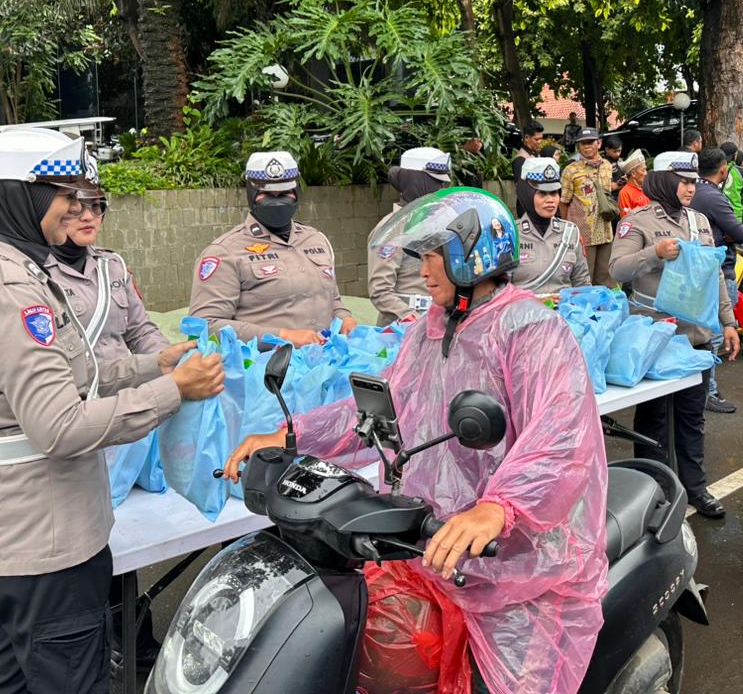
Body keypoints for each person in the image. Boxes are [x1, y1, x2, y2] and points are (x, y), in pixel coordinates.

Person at [224, 189, 608, 694]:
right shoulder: (431, 329)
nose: (423, 273)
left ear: (471, 258)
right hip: (431, 542)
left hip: (514, 557)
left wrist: (499, 508)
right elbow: (385, 409)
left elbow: (560, 439)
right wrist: (292, 434)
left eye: (432, 257)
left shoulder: (530, 329)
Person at [0, 127, 224, 694]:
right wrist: (176, 391)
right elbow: (60, 425)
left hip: (12, 536)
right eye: (63, 193)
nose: (77, 207)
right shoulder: (10, 289)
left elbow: (83, 372)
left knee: (10, 682)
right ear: (18, 196)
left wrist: (156, 365)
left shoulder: (24, 267)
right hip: (42, 543)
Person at [47, 176, 171, 675]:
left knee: (124, 541)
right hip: (75, 422)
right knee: (84, 544)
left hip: (127, 421)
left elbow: (140, 328)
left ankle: (133, 641)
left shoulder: (113, 266)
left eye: (96, 206)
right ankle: (97, 649)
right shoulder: (34, 275)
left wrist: (170, 359)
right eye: (75, 206)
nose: (87, 215)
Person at [609, 151, 740, 519]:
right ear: (664, 180)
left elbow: (713, 273)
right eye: (682, 181)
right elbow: (617, 269)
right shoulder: (637, 222)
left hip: (695, 337)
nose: (689, 188)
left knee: (691, 419)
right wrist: (654, 252)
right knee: (653, 421)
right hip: (656, 338)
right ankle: (652, 496)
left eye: (693, 181)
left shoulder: (699, 220)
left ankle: (696, 488)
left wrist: (728, 322)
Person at [191, 151, 357, 343]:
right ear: (251, 194)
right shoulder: (225, 252)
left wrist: (345, 317)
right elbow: (204, 326)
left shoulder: (316, 240)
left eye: (285, 193)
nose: (277, 200)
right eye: (268, 194)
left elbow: (331, 298)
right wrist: (281, 336)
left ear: (296, 192)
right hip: (265, 368)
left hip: (325, 363)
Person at [693, 148, 743, 414]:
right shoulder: (713, 196)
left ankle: (700, 389)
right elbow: (740, 233)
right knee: (717, 332)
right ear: (723, 168)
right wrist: (733, 234)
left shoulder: (692, 190)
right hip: (720, 269)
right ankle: (707, 392)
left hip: (697, 270)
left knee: (702, 332)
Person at [369, 147, 453, 326]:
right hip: (403, 325)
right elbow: (380, 290)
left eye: (442, 183)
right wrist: (409, 316)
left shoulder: (440, 222)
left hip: (439, 319)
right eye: (435, 182)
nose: (440, 188)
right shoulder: (391, 228)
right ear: (415, 180)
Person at [512, 157, 591, 294]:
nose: (550, 200)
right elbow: (499, 291)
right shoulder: (511, 234)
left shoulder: (570, 233)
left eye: (554, 193)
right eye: (542, 193)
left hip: (564, 312)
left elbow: (582, 283)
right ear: (527, 195)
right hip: (524, 312)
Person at [560, 128, 616, 286]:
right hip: (584, 232)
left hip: (605, 229)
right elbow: (563, 202)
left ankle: (604, 307)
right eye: (583, 143)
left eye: (590, 142)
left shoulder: (607, 166)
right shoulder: (570, 170)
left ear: (599, 143)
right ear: (578, 146)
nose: (587, 146)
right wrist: (567, 228)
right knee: (584, 276)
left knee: (605, 275)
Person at [720, 140, 743, 228]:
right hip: (739, 216)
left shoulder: (717, 169)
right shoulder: (740, 171)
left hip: (721, 213)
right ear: (735, 155)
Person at [617, 150, 650, 216]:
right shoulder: (625, 193)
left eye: (646, 169)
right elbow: (626, 219)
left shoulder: (646, 188)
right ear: (633, 173)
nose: (646, 173)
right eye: (643, 170)